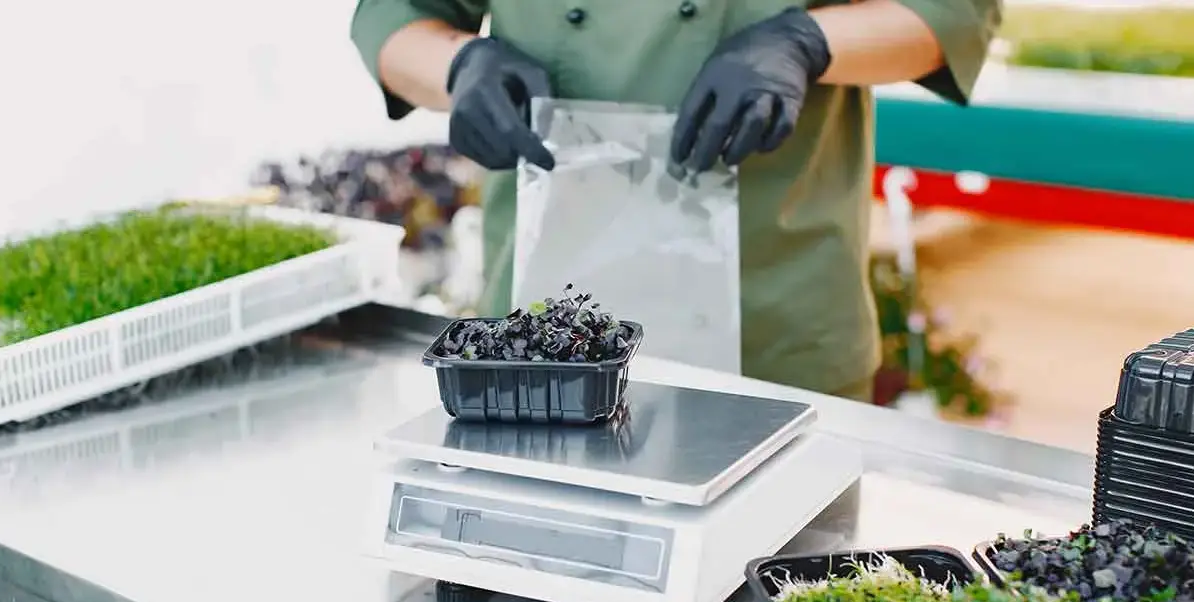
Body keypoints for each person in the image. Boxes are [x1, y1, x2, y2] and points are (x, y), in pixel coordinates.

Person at [350, 0, 1000, 402]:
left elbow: (952, 11)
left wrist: (806, 43)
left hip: (776, 316)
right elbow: (392, 15)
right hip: (534, 320)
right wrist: (461, 65)